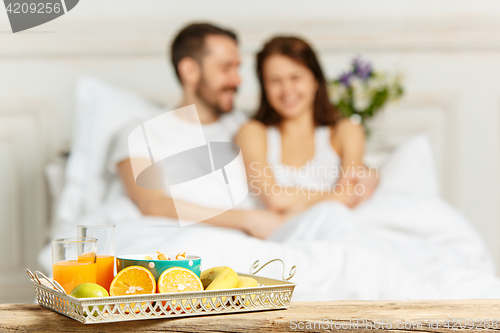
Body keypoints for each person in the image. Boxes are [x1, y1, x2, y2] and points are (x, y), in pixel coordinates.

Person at [115, 23, 285, 239]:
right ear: (190, 71)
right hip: (184, 243)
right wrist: (248, 219)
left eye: (238, 68)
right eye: (226, 68)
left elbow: (275, 190)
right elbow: (152, 204)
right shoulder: (143, 132)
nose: (238, 79)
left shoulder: (244, 129)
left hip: (254, 245)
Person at [235, 36, 379, 219]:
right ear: (264, 88)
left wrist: (290, 213)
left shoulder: (346, 130)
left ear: (315, 80)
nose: (287, 89)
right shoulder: (252, 132)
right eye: (274, 81)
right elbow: (273, 198)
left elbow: (351, 193)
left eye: (295, 77)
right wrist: (334, 196)